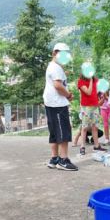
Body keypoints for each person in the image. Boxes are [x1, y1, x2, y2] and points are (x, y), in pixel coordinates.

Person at [44, 43, 78, 171]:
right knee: (63, 131)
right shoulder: (56, 67)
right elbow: (58, 86)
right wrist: (68, 95)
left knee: (54, 132)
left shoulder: (53, 66)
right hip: (58, 104)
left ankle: (54, 158)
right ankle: (63, 160)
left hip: (51, 103)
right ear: (54, 53)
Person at [77, 71, 106, 155]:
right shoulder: (81, 81)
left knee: (95, 127)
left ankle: (96, 146)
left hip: (95, 106)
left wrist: (102, 95)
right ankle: (82, 146)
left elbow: (100, 91)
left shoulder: (96, 80)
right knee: (85, 127)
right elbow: (88, 92)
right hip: (86, 107)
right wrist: (90, 80)